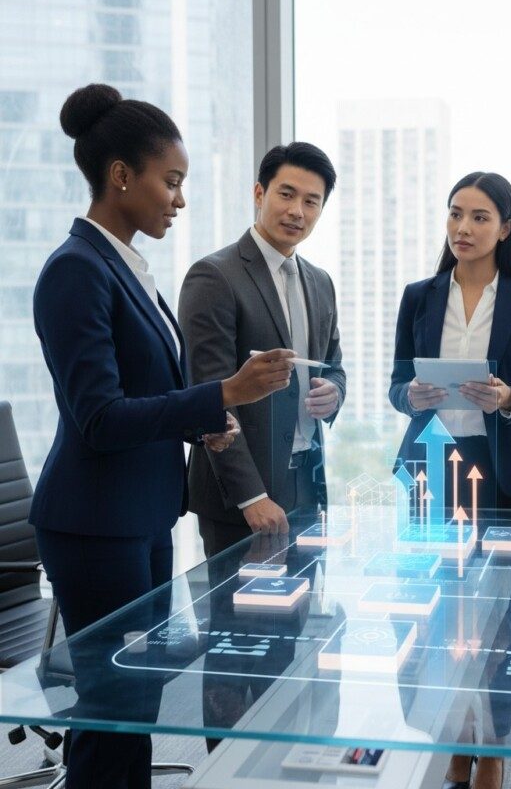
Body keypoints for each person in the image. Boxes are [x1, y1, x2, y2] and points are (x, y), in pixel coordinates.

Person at [30, 83, 295, 789]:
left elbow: (145, 397)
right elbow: (99, 416)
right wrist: (223, 392)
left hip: (138, 513)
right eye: (170, 181)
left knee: (137, 702)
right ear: (121, 175)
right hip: (94, 522)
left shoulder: (125, 266)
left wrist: (207, 422)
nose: (179, 200)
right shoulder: (75, 271)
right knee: (112, 709)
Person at [389, 171, 511, 789]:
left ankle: (493, 746)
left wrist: (509, 397)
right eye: (455, 214)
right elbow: (394, 386)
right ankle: (452, 738)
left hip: (504, 474)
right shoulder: (418, 295)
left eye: (480, 217)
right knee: (438, 615)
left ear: (505, 228)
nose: (464, 228)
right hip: (434, 469)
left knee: (501, 620)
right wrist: (410, 394)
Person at [178, 142, 345, 559]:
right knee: (242, 622)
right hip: (242, 494)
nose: (298, 212)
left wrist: (335, 391)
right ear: (259, 194)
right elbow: (209, 393)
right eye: (286, 194)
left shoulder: (320, 281)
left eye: (312, 202)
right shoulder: (214, 275)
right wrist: (251, 496)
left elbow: (334, 364)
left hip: (308, 483)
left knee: (301, 617)